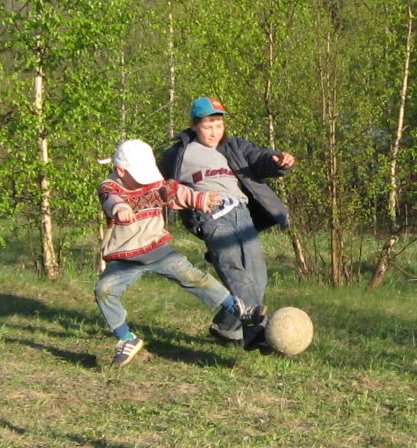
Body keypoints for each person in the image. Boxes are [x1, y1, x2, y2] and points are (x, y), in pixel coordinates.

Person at [95, 139, 258, 368]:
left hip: (157, 249)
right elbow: (110, 198)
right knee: (104, 291)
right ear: (120, 171)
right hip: (126, 257)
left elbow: (175, 191)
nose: (147, 180)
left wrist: (200, 199)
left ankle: (240, 310)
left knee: (194, 278)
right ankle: (127, 339)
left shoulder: (153, 184)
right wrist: (120, 208)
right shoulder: (110, 186)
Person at [159, 97, 295, 349]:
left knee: (258, 279)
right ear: (194, 125)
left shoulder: (232, 147)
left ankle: (226, 328)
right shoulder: (178, 154)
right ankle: (256, 332)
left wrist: (278, 160)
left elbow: (258, 156)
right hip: (210, 216)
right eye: (208, 125)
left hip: (241, 215)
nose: (214, 132)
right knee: (234, 271)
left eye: (218, 125)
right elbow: (154, 181)